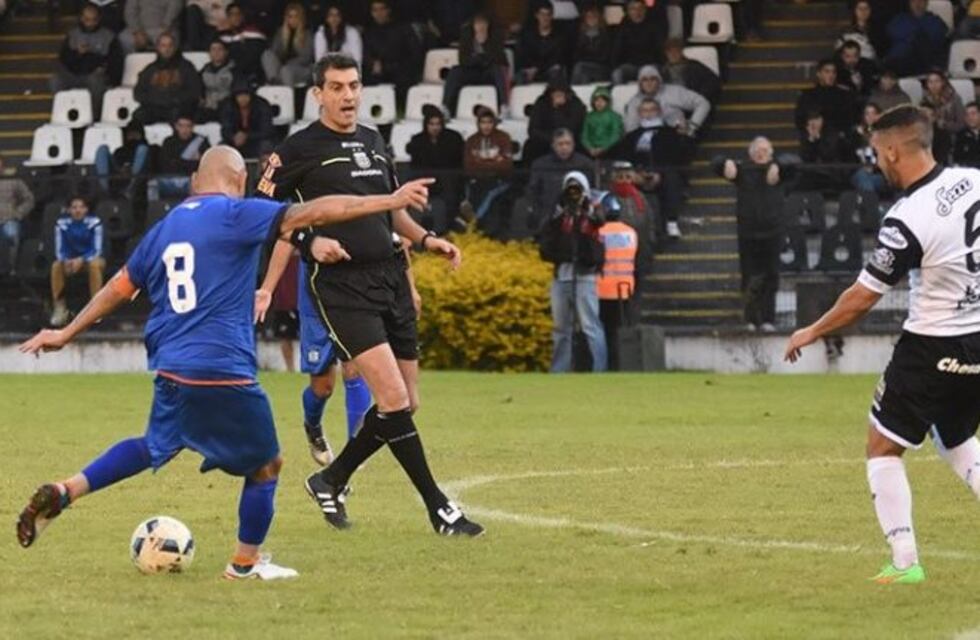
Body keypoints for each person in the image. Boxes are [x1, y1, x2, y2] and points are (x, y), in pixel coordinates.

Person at [18, 145, 434, 580]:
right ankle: (245, 564)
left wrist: (66, 332)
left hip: (171, 367)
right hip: (223, 371)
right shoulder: (237, 213)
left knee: (155, 444)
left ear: (197, 180)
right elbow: (319, 210)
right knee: (266, 466)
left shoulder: (165, 228)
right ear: (238, 182)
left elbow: (117, 290)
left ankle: (67, 491)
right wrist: (388, 201)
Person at [256, 53, 484, 537]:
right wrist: (308, 241)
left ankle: (330, 478)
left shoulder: (374, 141)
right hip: (342, 287)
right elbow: (260, 214)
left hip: (389, 277)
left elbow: (393, 212)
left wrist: (426, 240)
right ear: (317, 94)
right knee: (394, 398)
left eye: (354, 85)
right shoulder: (298, 149)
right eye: (336, 87)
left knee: (407, 404)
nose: (348, 96)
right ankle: (439, 509)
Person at [783, 105, 980, 585]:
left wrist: (813, 329)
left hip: (932, 347)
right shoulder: (974, 180)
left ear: (893, 149)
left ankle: (905, 561)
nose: (878, 163)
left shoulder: (908, 217)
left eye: (878, 153)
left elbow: (862, 298)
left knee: (882, 448)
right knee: (955, 439)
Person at [537, 170, 607, 373]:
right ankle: (559, 370)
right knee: (561, 328)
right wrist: (561, 210)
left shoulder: (592, 208)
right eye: (570, 188)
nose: (573, 193)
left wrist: (585, 206)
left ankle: (599, 369)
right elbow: (546, 231)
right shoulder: (559, 211)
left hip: (584, 275)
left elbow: (599, 221)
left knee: (590, 326)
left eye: (577, 188)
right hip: (561, 275)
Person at [715, 137, 787, 332]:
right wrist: (725, 162)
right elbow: (716, 163)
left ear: (771, 153)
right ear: (750, 153)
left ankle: (768, 319)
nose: (760, 153)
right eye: (757, 150)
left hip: (772, 231)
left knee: (771, 276)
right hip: (748, 232)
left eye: (765, 149)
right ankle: (750, 319)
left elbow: (794, 162)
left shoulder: (779, 170)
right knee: (749, 277)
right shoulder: (743, 170)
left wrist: (779, 165)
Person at [612, 97, 692, 239]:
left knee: (671, 176)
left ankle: (671, 222)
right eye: (645, 110)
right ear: (640, 113)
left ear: (659, 111)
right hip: (636, 172)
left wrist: (683, 137)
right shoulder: (632, 136)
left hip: (663, 170)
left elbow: (679, 156)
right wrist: (634, 173)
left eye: (652, 110)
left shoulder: (670, 133)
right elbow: (623, 158)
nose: (648, 114)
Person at [51, 4, 122, 118]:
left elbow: (115, 63)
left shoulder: (108, 37)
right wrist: (77, 53)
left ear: (98, 20)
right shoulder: (72, 35)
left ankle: (94, 117)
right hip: (74, 74)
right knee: (56, 81)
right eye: (87, 19)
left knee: (96, 82)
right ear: (81, 18)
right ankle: (63, 115)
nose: (90, 23)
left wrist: (101, 66)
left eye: (93, 20)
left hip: (96, 75)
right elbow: (64, 59)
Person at [406, 105, 464, 236]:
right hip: (424, 179)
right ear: (426, 125)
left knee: (450, 187)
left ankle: (449, 224)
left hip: (448, 179)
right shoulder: (417, 141)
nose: (435, 127)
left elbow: (456, 165)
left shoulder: (453, 138)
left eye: (438, 124)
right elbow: (415, 166)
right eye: (431, 124)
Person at [49, 197, 105, 327]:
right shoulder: (61, 223)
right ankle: (59, 308)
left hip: (90, 259)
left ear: (86, 209)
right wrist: (67, 260)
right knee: (56, 266)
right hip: (70, 261)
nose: (77, 210)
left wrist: (82, 259)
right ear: (69, 210)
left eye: (81, 207)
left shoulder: (95, 222)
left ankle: (97, 308)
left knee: (95, 265)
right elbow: (59, 249)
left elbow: (97, 249)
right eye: (74, 207)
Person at [462, 105, 514, 236]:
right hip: (477, 179)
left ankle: (474, 220)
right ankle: (472, 225)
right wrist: (494, 161)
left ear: (494, 123)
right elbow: (468, 166)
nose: (486, 126)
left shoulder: (503, 138)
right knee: (470, 194)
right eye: (483, 122)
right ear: (478, 123)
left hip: (499, 180)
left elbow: (506, 165)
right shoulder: (472, 140)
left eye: (489, 122)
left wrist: (480, 162)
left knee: (490, 194)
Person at [596, 206, 638, 371]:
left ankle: (607, 366)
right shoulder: (630, 232)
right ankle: (622, 365)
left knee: (604, 331)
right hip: (625, 288)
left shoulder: (598, 232)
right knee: (620, 331)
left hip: (602, 288)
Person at [442, 13, 508, 116]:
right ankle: (446, 107)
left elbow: (499, 59)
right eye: (478, 24)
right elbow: (463, 60)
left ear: (487, 25)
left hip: (488, 73)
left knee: (497, 70)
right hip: (472, 71)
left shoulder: (495, 36)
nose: (481, 27)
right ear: (473, 26)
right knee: (455, 71)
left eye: (483, 24)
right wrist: (481, 59)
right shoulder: (466, 37)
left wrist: (484, 44)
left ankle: (504, 106)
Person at [528, 128, 593, 229]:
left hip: (578, 216)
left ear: (573, 145)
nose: (564, 147)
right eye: (560, 144)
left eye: (568, 143)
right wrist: (537, 213)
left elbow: (593, 191)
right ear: (553, 145)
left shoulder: (585, 164)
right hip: (548, 215)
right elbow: (533, 192)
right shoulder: (540, 164)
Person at [133, 32, 203, 125]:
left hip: (177, 108)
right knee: (138, 116)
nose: (167, 49)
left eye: (170, 45)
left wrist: (174, 100)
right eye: (163, 45)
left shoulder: (186, 67)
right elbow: (138, 92)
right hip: (153, 107)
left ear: (175, 47)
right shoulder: (150, 69)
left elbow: (194, 91)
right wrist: (154, 100)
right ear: (158, 47)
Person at [362, 0, 421, 105]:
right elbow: (365, 53)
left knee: (403, 78)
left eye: (382, 9)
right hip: (378, 71)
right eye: (375, 10)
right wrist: (373, 62)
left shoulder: (403, 28)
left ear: (388, 10)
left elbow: (415, 53)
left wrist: (387, 65)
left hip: (401, 69)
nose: (379, 13)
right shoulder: (369, 31)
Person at [623, 65, 710, 135]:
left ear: (659, 80)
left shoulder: (674, 92)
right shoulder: (634, 102)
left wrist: (692, 127)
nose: (649, 83)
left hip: (677, 138)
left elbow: (703, 103)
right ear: (640, 83)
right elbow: (631, 129)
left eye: (653, 79)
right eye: (645, 80)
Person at [526, 78, 588, 163]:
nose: (558, 95)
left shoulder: (575, 103)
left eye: (561, 92)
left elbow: (576, 126)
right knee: (530, 146)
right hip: (547, 140)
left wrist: (559, 110)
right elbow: (533, 129)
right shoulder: (542, 102)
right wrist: (553, 139)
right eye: (555, 92)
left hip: (571, 139)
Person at [794, 59, 860, 135]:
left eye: (833, 72)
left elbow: (851, 119)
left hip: (838, 140)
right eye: (827, 72)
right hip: (816, 140)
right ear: (818, 74)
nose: (831, 75)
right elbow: (800, 120)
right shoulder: (808, 95)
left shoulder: (844, 95)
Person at [883, 0, 948, 77]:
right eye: (914, 1)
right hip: (899, 61)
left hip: (923, 62)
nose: (917, 4)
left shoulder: (934, 21)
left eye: (921, 1)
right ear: (909, 3)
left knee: (920, 39)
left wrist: (913, 36)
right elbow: (891, 33)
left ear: (926, 3)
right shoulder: (899, 20)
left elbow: (937, 39)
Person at [155, 114, 210, 199]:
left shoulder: (201, 142)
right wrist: (192, 161)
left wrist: (179, 162)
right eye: (181, 126)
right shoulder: (169, 142)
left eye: (188, 126)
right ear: (176, 126)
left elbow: (205, 165)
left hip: (195, 183)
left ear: (192, 127)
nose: (185, 129)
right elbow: (166, 165)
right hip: (172, 181)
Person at [610, 0, 666, 85]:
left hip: (650, 65)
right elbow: (617, 50)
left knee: (651, 72)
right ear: (628, 11)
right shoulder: (623, 27)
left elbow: (660, 49)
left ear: (645, 10)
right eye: (633, 9)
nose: (637, 12)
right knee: (617, 74)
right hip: (631, 66)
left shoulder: (654, 26)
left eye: (640, 8)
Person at [219, 78, 276, 159]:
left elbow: (267, 130)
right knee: (221, 147)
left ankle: (264, 170)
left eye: (246, 95)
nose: (243, 99)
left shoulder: (262, 105)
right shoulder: (228, 106)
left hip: (256, 140)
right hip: (235, 141)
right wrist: (233, 137)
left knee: (266, 146)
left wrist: (247, 136)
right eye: (239, 96)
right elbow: (225, 130)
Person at [261, 2, 314, 87]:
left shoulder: (307, 34)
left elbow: (306, 58)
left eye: (296, 16)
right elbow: (274, 52)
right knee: (267, 54)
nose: (293, 20)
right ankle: (274, 81)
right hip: (282, 68)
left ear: (301, 18)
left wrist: (288, 64)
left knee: (286, 70)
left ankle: (286, 96)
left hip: (301, 69)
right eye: (290, 17)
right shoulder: (280, 32)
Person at [515, 2, 569, 84]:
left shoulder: (559, 36)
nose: (545, 18)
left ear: (552, 16)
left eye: (548, 14)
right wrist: (530, 68)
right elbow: (523, 55)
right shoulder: (527, 35)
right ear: (537, 15)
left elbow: (558, 58)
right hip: (531, 69)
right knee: (521, 75)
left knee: (556, 72)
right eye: (542, 14)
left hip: (550, 70)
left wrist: (539, 68)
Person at [95, 120, 151, 198]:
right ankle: (105, 191)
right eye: (130, 134)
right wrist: (122, 169)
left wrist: (131, 168)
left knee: (142, 149)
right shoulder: (120, 151)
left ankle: (130, 190)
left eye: (135, 134)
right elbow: (115, 165)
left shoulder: (149, 150)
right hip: (119, 176)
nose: (133, 136)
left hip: (137, 180)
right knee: (102, 149)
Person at [661, 38, 720, 106]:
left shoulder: (694, 66)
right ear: (666, 53)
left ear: (681, 52)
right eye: (670, 51)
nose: (673, 54)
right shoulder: (662, 70)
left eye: (676, 51)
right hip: (670, 105)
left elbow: (714, 82)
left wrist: (699, 97)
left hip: (690, 103)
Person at [0, 154, 35, 270]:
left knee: (12, 233)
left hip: (8, 219)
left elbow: (29, 199)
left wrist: (18, 213)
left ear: (3, 166)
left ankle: (10, 268)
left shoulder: (14, 181)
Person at [218, 2, 268, 84]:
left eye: (238, 14)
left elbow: (254, 57)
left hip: (250, 76)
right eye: (232, 14)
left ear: (243, 16)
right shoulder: (222, 35)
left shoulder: (253, 33)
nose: (235, 17)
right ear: (228, 18)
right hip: (226, 77)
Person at [848, 102, 889, 195]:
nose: (870, 117)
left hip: (878, 174)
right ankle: (872, 207)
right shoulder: (855, 135)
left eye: (873, 113)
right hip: (859, 172)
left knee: (868, 181)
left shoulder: (885, 135)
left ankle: (870, 206)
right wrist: (858, 137)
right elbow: (849, 154)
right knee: (863, 177)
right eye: (867, 113)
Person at [570, 5, 612, 85]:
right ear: (585, 19)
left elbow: (605, 56)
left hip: (602, 68)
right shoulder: (580, 35)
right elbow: (576, 55)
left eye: (594, 16)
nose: (591, 19)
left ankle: (573, 91)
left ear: (599, 18)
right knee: (584, 75)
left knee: (580, 67)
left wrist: (587, 59)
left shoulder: (606, 34)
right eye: (588, 16)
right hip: (584, 68)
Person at [199, 38, 237, 122]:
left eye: (220, 49)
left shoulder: (234, 70)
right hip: (207, 108)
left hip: (227, 109)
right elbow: (198, 89)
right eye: (213, 49)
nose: (216, 52)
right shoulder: (204, 70)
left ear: (226, 52)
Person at [581, 86, 624, 160]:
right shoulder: (589, 117)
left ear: (607, 102)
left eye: (602, 101)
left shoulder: (614, 117)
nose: (599, 103)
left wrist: (603, 148)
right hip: (591, 152)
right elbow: (584, 135)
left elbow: (615, 135)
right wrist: (590, 148)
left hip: (610, 152)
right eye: (596, 100)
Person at [921, 70, 966, 134]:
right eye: (930, 82)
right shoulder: (925, 100)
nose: (933, 85)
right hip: (931, 136)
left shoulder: (954, 98)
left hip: (951, 136)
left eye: (937, 81)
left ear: (943, 82)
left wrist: (941, 123)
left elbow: (961, 125)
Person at [953, 102, 980, 168]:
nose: (970, 117)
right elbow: (957, 159)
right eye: (967, 115)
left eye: (973, 114)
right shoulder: (960, 136)